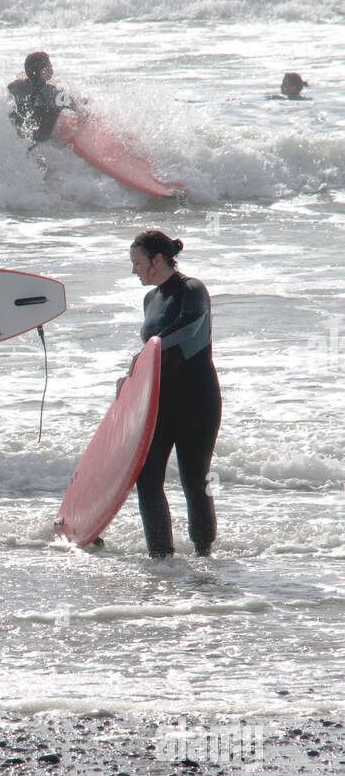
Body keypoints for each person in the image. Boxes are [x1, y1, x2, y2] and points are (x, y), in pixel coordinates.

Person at [128, 231, 221, 558]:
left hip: (197, 399)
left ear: (156, 260)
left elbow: (190, 326)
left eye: (138, 263)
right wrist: (131, 382)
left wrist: (145, 353)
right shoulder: (149, 300)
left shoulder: (192, 290)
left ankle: (204, 555)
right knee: (147, 478)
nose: (134, 270)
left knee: (194, 481)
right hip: (159, 403)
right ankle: (161, 560)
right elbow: (153, 355)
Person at [7, 52, 79, 144]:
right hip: (43, 137)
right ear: (43, 71)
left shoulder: (15, 87)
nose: (52, 70)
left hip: (21, 135)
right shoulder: (54, 92)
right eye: (50, 66)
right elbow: (76, 107)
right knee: (56, 108)